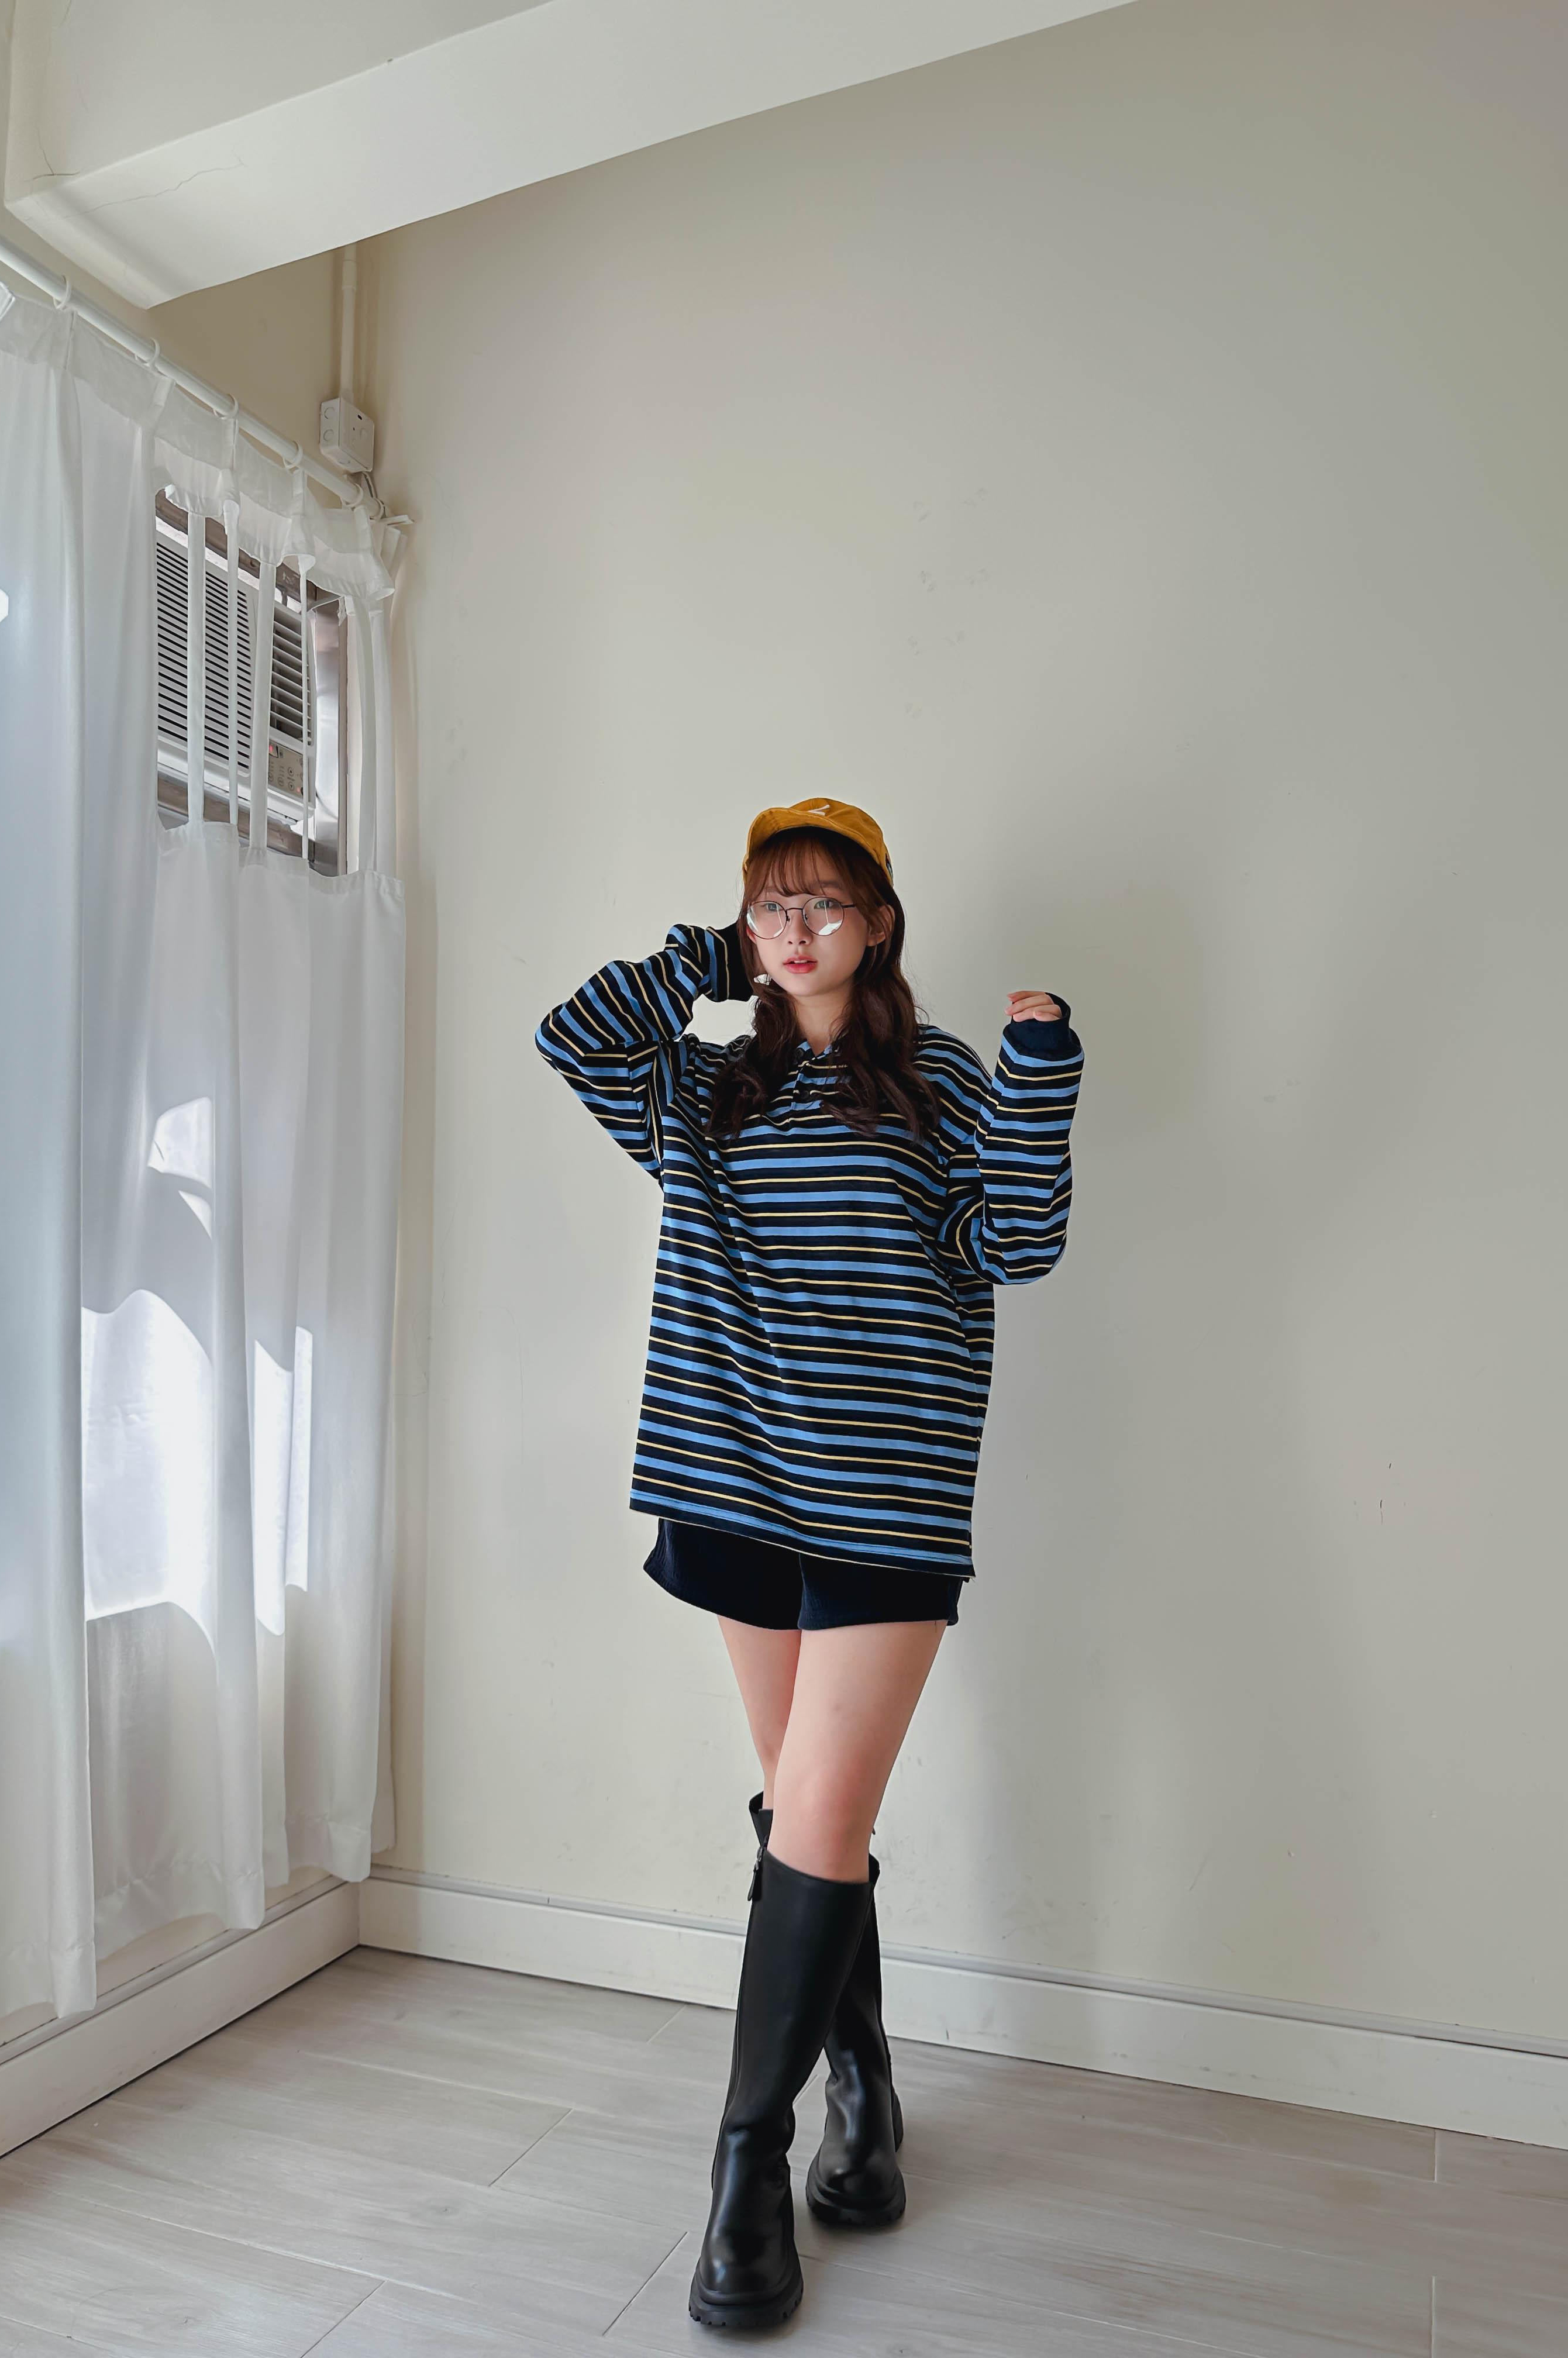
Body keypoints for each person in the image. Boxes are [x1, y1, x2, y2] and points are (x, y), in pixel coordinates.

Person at [535, 797, 1084, 2332]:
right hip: (731, 1482)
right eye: (772, 904)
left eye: (826, 903)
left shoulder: (945, 1080)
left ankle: (744, 2167)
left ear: (879, 925)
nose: (796, 928)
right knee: (804, 1819)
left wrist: (1042, 1075)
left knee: (818, 1816)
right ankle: (868, 2098)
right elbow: (573, 1033)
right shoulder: (708, 1086)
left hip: (885, 1498)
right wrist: (710, 958)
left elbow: (1017, 1245)